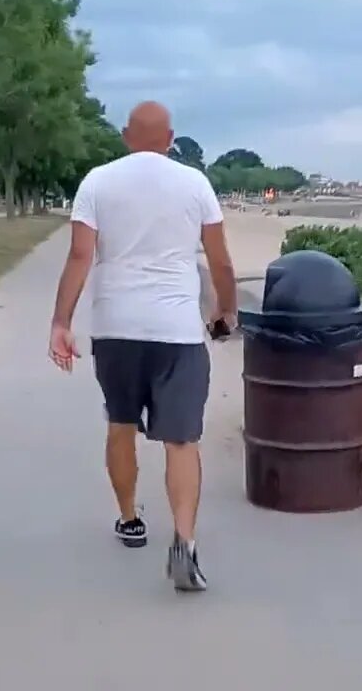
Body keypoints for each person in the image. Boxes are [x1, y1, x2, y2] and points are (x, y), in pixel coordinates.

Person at [49, 100, 237, 592]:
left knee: (121, 424)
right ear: (170, 138)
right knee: (181, 439)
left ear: (126, 135)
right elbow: (220, 263)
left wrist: (60, 322)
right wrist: (225, 311)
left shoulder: (97, 181)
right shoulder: (195, 183)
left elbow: (79, 255)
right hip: (176, 330)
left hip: (116, 325)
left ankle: (130, 519)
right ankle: (185, 541)